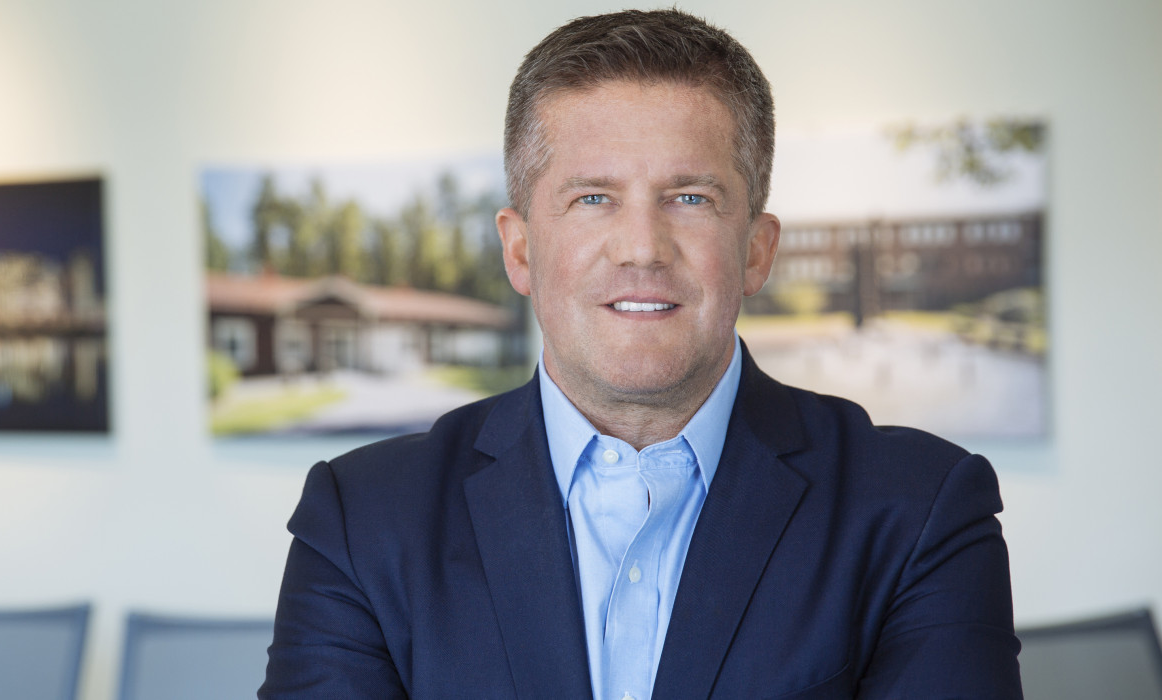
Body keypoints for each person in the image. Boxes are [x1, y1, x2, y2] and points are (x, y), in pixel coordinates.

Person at [261, 9, 1021, 699]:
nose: (641, 248)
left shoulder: (919, 512)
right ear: (520, 250)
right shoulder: (361, 522)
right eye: (592, 198)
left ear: (756, 251)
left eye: (690, 198)